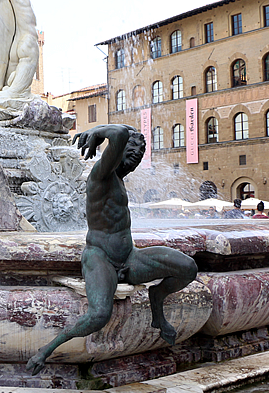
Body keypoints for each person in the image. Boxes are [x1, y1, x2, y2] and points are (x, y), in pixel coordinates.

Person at [26, 125, 197, 375]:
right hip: (100, 257)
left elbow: (121, 138)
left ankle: (156, 302)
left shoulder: (118, 179)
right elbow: (118, 134)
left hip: (130, 257)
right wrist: (96, 133)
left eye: (139, 155)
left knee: (187, 268)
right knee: (99, 315)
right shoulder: (101, 173)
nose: (136, 158)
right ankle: (46, 350)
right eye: (131, 152)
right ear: (116, 153)